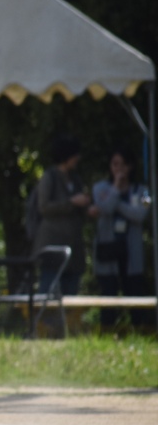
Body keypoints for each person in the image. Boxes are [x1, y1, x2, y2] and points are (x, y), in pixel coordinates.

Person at [91, 146, 152, 329]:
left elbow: (141, 215)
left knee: (134, 292)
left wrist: (114, 203)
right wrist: (116, 189)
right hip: (108, 251)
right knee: (108, 292)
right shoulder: (99, 188)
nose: (119, 169)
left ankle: (138, 330)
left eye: (123, 164)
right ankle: (107, 330)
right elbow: (105, 208)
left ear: (131, 166)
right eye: (115, 164)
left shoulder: (144, 191)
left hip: (132, 253)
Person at [33, 134, 92, 297]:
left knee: (71, 294)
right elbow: (44, 207)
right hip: (52, 248)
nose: (78, 158)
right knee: (48, 293)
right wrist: (71, 202)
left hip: (73, 249)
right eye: (75, 154)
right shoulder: (49, 177)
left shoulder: (76, 179)